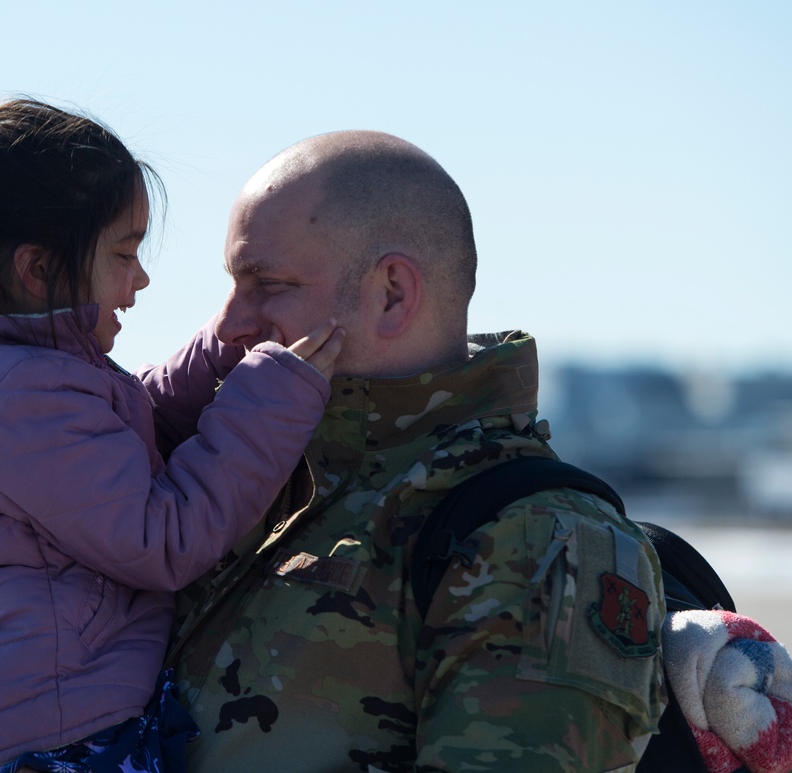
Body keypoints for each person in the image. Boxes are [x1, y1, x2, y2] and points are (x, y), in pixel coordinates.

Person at [0, 99, 344, 773]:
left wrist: (216, 356)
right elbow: (164, 538)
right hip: (42, 744)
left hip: (46, 723)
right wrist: (272, 399)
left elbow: (128, 434)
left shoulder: (22, 377)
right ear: (37, 270)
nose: (140, 280)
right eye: (125, 253)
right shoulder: (19, 401)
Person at [164, 131, 667, 772]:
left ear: (393, 294)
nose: (229, 322)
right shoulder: (243, 473)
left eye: (267, 285)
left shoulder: (540, 538)